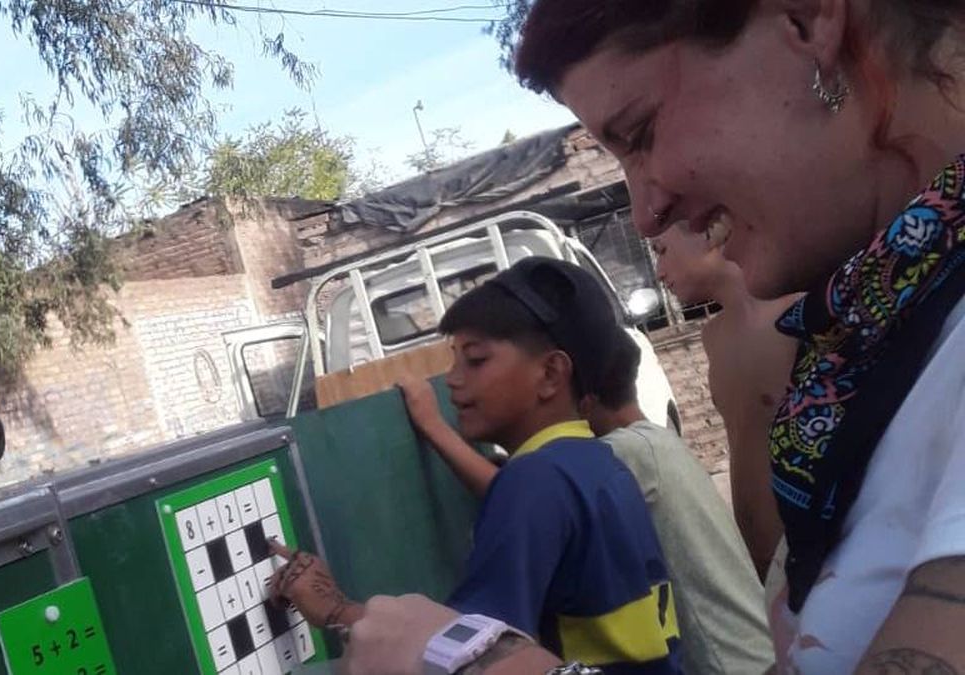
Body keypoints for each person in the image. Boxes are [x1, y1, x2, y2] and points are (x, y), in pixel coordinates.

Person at [340, 1, 965, 673]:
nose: (646, 213)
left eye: (640, 133)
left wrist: (467, 660)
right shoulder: (875, 342)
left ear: (808, 20)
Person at [273, 257, 683, 673]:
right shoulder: (597, 463)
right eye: (454, 360)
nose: (451, 378)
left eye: (475, 360)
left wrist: (335, 609)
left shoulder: (533, 480)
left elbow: (461, 649)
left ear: (550, 374)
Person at [399, 327, 774, 675]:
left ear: (577, 396)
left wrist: (434, 426)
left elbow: (526, 494)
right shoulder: (655, 441)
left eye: (478, 360)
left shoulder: (619, 454)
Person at [652, 222, 800, 579]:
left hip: (814, 546)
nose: (658, 272)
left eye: (662, 250)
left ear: (708, 234)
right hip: (764, 563)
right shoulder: (713, 336)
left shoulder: (796, 313)